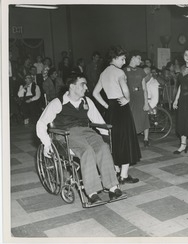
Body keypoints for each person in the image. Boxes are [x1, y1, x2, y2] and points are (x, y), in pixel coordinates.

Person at [36, 72, 124, 204]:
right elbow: (41, 123)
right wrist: (47, 143)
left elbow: (98, 121)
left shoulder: (87, 101)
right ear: (72, 86)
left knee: (103, 147)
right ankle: (92, 193)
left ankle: (112, 187)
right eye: (83, 85)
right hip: (66, 134)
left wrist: (106, 136)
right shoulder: (58, 102)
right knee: (87, 150)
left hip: (87, 132)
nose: (86, 88)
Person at [93, 45, 140, 185]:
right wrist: (127, 99)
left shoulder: (104, 73)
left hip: (111, 109)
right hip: (121, 108)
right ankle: (123, 176)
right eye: (122, 58)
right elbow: (125, 89)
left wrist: (107, 105)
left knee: (114, 140)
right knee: (126, 140)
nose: (124, 61)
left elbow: (95, 93)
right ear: (114, 58)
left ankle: (117, 171)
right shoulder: (119, 72)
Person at [124, 50, 150, 147]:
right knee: (132, 118)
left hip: (140, 96)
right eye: (139, 58)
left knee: (144, 117)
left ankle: (146, 139)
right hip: (131, 97)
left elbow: (144, 88)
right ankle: (132, 139)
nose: (140, 60)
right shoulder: (124, 71)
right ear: (133, 58)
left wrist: (146, 102)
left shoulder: (141, 71)